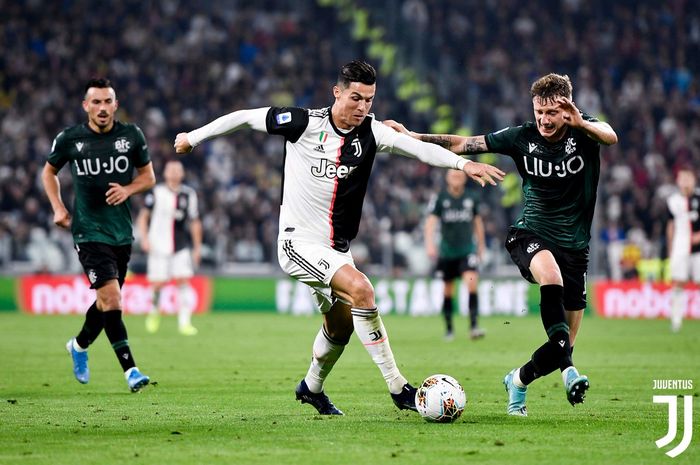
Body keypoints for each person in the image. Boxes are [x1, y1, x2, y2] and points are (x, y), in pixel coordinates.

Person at [174, 60, 505, 415]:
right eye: (355, 97)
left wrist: (463, 165)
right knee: (362, 290)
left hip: (336, 250)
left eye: (369, 100)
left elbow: (419, 149)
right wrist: (192, 138)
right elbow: (243, 116)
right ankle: (398, 388)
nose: (362, 107)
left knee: (341, 325)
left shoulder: (372, 133)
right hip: (297, 243)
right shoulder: (303, 123)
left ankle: (311, 387)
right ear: (337, 92)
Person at [385, 73, 618, 416]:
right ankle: (569, 371)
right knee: (550, 278)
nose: (543, 120)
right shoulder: (521, 137)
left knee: (561, 344)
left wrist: (581, 122)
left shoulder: (586, 132)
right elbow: (464, 144)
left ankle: (519, 381)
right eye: (538, 111)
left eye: (551, 113)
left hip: (575, 248)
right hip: (530, 234)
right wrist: (414, 136)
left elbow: (611, 137)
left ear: (567, 108)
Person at [42, 78, 156, 392]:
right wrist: (58, 207)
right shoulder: (70, 139)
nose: (102, 108)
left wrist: (128, 189)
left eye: (108, 102)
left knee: (106, 302)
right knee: (112, 298)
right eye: (96, 102)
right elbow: (48, 171)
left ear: (115, 105)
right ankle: (131, 371)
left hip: (121, 232)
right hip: (88, 231)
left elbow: (148, 176)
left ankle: (78, 346)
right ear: (86, 106)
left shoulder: (131, 136)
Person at [137, 159, 202, 336]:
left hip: (180, 246)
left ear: (182, 174)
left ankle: (185, 323)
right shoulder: (156, 192)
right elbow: (143, 217)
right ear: (165, 173)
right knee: (158, 284)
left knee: (183, 281)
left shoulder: (189, 194)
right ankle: (154, 312)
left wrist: (197, 248)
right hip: (158, 245)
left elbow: (195, 222)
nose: (173, 173)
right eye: (170, 169)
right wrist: (144, 239)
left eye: (177, 170)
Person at [425, 169, 486, 341]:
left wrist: (481, 246)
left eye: (459, 176)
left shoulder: (471, 197)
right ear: (447, 178)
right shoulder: (440, 198)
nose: (456, 179)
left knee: (472, 283)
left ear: (465, 178)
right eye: (453, 176)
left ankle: (474, 326)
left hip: (467, 250)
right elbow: (430, 222)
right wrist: (430, 244)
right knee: (448, 290)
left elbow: (478, 222)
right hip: (447, 251)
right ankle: (449, 328)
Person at [666, 167, 700, 333]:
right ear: (678, 181)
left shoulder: (699, 198)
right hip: (680, 246)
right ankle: (676, 321)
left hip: (698, 249)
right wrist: (671, 248)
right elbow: (671, 225)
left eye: (688, 178)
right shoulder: (673, 201)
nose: (685, 182)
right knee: (678, 282)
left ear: (693, 180)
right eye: (682, 178)